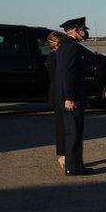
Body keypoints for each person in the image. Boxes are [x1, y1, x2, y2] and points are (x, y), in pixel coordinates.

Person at [56, 17, 95, 176]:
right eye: (83, 29)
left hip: (70, 96)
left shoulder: (66, 45)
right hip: (72, 98)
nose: (85, 32)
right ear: (76, 30)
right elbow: (68, 74)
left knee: (75, 132)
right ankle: (73, 167)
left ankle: (77, 165)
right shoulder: (71, 47)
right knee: (74, 133)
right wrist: (70, 97)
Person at [44, 31, 67, 172]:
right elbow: (57, 79)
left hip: (63, 94)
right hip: (60, 96)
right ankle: (62, 156)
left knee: (67, 128)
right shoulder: (53, 57)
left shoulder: (60, 56)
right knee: (62, 127)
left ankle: (67, 155)